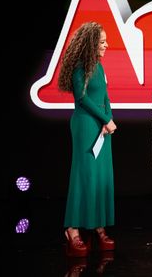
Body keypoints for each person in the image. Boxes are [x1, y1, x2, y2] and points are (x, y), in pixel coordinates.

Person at [58, 22, 117, 257]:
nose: (106, 45)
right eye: (102, 41)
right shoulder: (79, 66)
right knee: (84, 177)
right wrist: (104, 118)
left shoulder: (99, 67)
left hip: (102, 126)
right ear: (91, 42)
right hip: (85, 125)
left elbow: (105, 96)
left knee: (101, 177)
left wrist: (108, 119)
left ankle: (98, 225)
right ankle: (72, 229)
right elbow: (82, 99)